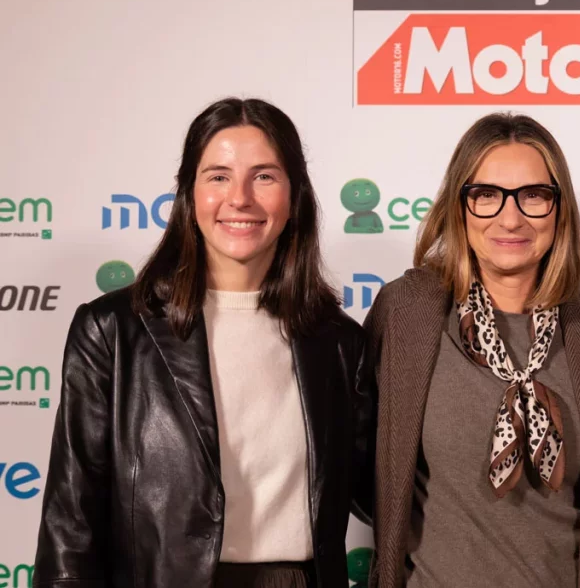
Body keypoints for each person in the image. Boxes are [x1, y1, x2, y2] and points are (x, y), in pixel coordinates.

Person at [33, 98, 374, 588]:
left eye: (264, 176)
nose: (240, 198)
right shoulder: (113, 331)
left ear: (295, 195)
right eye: (218, 176)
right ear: (189, 195)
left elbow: (381, 493)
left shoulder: (340, 343)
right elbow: (71, 521)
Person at [363, 112, 580, 588]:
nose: (510, 217)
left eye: (534, 195)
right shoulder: (406, 312)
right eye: (486, 195)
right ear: (459, 206)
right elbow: (358, 465)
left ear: (559, 209)